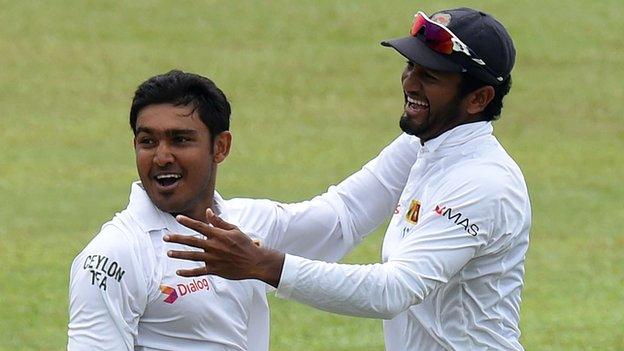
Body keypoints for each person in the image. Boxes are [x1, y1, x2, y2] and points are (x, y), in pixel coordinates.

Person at [165, 7, 531, 350]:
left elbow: (393, 290)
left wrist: (263, 264)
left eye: (430, 76)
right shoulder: (426, 144)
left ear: (478, 98)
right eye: (410, 66)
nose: (410, 83)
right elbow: (346, 211)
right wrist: (232, 218)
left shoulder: (483, 185)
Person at [67, 70, 420, 350]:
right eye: (148, 141)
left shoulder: (248, 224)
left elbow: (345, 214)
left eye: (180, 139)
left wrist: (426, 127)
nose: (161, 156)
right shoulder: (112, 257)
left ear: (220, 147)